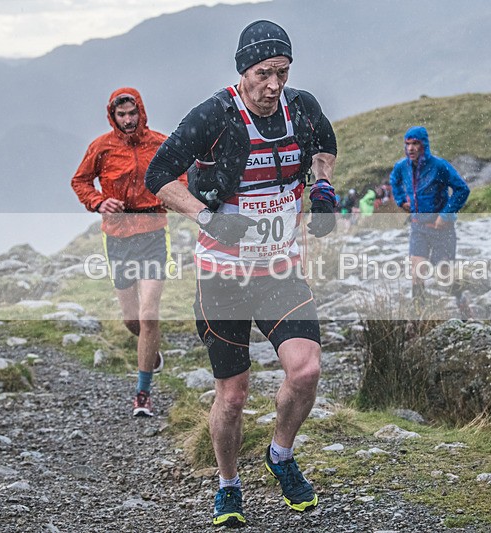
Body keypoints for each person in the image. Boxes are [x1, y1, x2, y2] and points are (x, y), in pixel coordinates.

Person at [144, 20, 337, 528]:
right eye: (263, 73)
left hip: (280, 272)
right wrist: (209, 218)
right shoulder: (216, 114)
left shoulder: (303, 107)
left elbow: (325, 143)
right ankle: (228, 485)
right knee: (232, 396)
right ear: (243, 71)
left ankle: (280, 454)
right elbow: (158, 176)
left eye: (282, 72)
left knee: (307, 370)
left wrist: (321, 187)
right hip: (221, 277)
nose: (273, 84)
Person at [71, 87, 172, 418]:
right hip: (118, 237)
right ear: (112, 116)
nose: (128, 120)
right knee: (132, 320)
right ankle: (151, 353)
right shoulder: (101, 148)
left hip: (153, 233)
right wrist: (100, 202)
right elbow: (80, 182)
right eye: (121, 115)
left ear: (141, 111)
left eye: (132, 113)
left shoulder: (159, 143)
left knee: (149, 314)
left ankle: (142, 393)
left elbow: (181, 176)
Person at [390, 126, 470, 306]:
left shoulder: (439, 166)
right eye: (407, 144)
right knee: (416, 271)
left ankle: (461, 301)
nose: (410, 148)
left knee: (444, 274)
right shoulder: (402, 167)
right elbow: (394, 180)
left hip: (442, 229)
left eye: (415, 144)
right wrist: (401, 201)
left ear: (423, 145)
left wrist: (446, 215)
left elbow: (462, 189)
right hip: (418, 227)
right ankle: (419, 315)